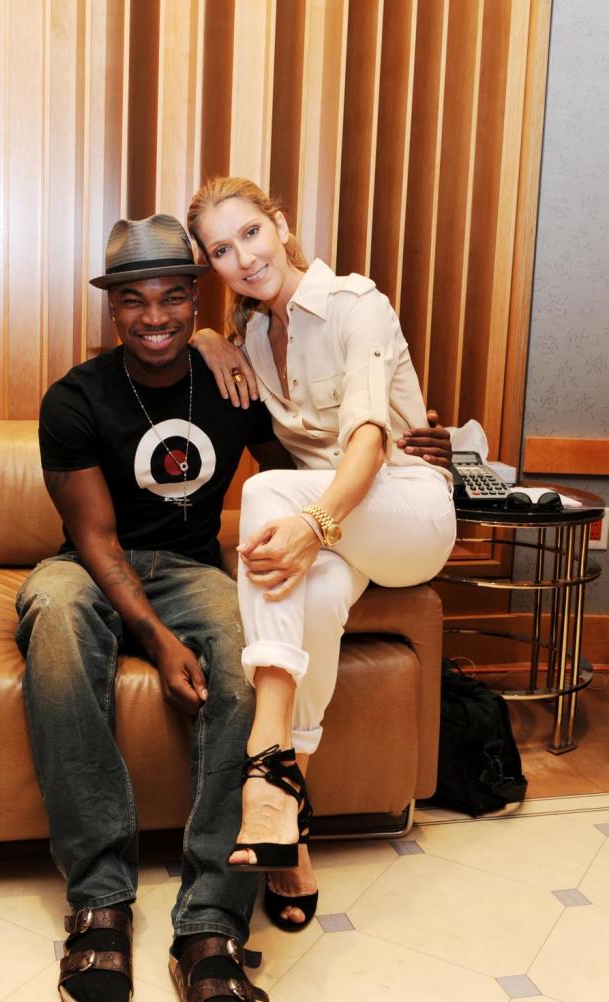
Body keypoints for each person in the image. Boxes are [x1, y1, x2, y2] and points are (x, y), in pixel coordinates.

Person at [15, 214, 277, 1002]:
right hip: (92, 565)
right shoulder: (75, 398)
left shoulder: (231, 384)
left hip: (194, 569)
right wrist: (159, 639)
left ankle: (210, 923)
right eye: (134, 299)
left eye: (172, 297)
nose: (154, 316)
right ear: (112, 308)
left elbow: (302, 474)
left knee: (248, 649)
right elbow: (94, 540)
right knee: (55, 612)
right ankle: (101, 899)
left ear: (195, 300)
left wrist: (399, 446)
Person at [187, 176, 457, 932]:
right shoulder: (248, 341)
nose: (243, 257)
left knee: (267, 493)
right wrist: (206, 338)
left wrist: (313, 524)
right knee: (316, 596)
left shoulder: (355, 304)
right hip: (343, 529)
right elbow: (198, 347)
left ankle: (265, 760)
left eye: (250, 233)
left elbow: (368, 439)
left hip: (407, 509)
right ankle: (289, 828)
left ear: (279, 224)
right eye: (221, 250)